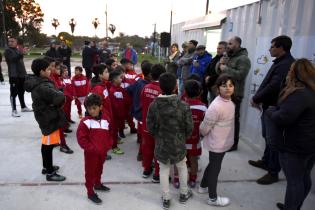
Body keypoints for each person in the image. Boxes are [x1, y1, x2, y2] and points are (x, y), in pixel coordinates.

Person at [265, 59, 315, 210]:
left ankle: (291, 207)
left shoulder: (300, 94)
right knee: (303, 177)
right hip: (309, 144)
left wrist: (271, 111)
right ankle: (294, 206)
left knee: (295, 181)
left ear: (295, 73)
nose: (288, 73)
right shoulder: (311, 91)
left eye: (290, 70)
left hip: (294, 146)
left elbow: (283, 118)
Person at [249, 35, 295, 185]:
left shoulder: (285, 64)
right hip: (269, 107)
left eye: (272, 46)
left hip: (275, 108)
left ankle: (273, 171)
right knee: (268, 137)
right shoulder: (281, 62)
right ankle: (266, 161)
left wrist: (256, 98)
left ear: (281, 48)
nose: (269, 49)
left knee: (273, 140)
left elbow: (274, 86)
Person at [147, 72, 193, 209]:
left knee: (163, 170)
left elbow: (150, 127)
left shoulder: (154, 105)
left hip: (161, 144)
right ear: (175, 87)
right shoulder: (183, 106)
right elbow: (189, 127)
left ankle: (166, 198)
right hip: (178, 144)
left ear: (160, 87)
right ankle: (184, 194)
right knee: (182, 167)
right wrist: (183, 138)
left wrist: (158, 136)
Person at [24, 58, 67, 182]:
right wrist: (60, 95)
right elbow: (59, 97)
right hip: (48, 118)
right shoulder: (42, 86)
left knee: (47, 144)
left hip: (46, 116)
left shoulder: (40, 82)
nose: (50, 70)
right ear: (42, 71)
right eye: (48, 69)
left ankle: (46, 166)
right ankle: (49, 172)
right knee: (48, 146)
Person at [198, 74, 235, 207]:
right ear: (217, 88)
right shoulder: (216, 106)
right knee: (215, 168)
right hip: (216, 143)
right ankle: (212, 198)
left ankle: (203, 186)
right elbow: (205, 126)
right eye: (224, 86)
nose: (228, 88)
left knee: (213, 164)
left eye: (231, 85)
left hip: (224, 142)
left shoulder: (230, 102)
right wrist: (202, 133)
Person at [216, 36, 251, 151]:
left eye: (230, 44)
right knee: (224, 119)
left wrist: (224, 68)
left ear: (237, 44)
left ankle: (233, 144)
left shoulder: (243, 59)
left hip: (234, 94)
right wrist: (220, 64)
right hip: (223, 93)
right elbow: (218, 70)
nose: (228, 46)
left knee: (233, 120)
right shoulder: (228, 56)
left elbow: (240, 75)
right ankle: (224, 140)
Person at [77, 93, 113, 204]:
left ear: (100, 107)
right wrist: (91, 148)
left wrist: (109, 144)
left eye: (94, 108)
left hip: (102, 152)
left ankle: (97, 184)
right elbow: (81, 139)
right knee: (90, 173)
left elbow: (110, 133)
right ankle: (90, 192)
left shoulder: (106, 119)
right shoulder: (85, 122)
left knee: (99, 169)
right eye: (89, 108)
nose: (92, 111)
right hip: (91, 154)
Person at [140, 64, 166, 182]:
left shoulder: (145, 87)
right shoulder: (163, 90)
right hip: (159, 127)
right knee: (158, 150)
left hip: (146, 124)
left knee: (147, 148)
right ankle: (157, 173)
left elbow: (142, 102)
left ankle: (146, 169)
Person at [90, 64, 118, 158]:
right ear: (100, 75)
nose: (108, 73)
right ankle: (101, 153)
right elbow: (96, 106)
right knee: (101, 135)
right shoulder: (98, 88)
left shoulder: (103, 84)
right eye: (106, 72)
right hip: (102, 116)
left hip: (107, 114)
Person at [182, 79, 207, 188]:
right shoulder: (203, 107)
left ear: (185, 93)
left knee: (180, 161)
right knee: (193, 160)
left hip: (181, 140)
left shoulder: (180, 105)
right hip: (195, 139)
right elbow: (206, 123)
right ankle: (193, 178)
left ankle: (178, 179)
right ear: (200, 92)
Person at [126, 61, 152, 161]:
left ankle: (138, 140)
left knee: (141, 130)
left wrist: (134, 101)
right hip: (143, 113)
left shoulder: (139, 82)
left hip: (137, 111)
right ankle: (141, 154)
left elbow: (128, 89)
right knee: (144, 136)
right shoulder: (146, 86)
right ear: (150, 74)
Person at [4, 37, 32, 117]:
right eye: (9, 41)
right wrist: (22, 53)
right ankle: (14, 110)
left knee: (21, 92)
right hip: (13, 75)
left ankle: (23, 107)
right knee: (13, 93)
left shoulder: (17, 50)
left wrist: (25, 74)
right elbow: (13, 59)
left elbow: (20, 62)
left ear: (16, 42)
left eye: (12, 41)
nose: (10, 42)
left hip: (21, 75)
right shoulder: (7, 51)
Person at [109, 69, 130, 153]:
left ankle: (116, 139)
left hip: (120, 114)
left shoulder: (120, 88)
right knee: (114, 131)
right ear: (114, 79)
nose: (121, 79)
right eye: (120, 78)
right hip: (115, 115)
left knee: (116, 129)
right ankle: (114, 147)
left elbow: (125, 99)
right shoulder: (112, 91)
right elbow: (114, 106)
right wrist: (119, 114)